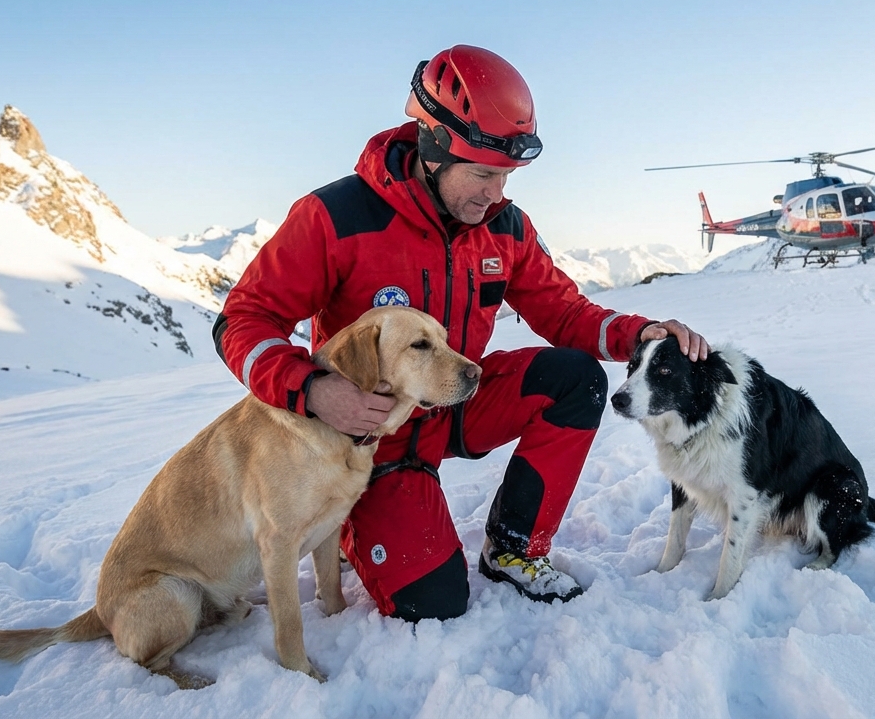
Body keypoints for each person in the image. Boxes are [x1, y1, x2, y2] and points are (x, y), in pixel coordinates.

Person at [213, 45, 707, 622]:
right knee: (435, 603)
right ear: (432, 147)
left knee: (574, 378)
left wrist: (642, 334)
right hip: (369, 442)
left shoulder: (504, 227)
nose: (496, 194)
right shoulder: (335, 217)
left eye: (506, 176)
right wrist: (315, 391)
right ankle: (349, 521)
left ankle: (515, 550)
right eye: (482, 173)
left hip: (450, 404)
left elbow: (564, 312)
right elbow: (243, 320)